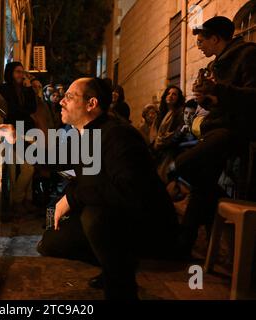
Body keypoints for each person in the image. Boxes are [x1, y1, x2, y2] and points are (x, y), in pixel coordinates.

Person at [36, 77, 179, 300]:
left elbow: (128, 191)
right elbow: (56, 160)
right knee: (52, 241)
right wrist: (17, 142)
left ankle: (121, 283)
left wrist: (72, 198)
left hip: (148, 226)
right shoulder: (84, 134)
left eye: (69, 97)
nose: (61, 102)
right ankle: (113, 263)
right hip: (120, 216)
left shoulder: (118, 136)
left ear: (91, 104)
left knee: (95, 217)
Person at [170, 16, 256, 254]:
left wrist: (217, 90)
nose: (198, 46)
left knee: (181, 165)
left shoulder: (247, 55)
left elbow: (251, 97)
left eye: (201, 41)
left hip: (235, 131)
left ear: (216, 38)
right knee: (203, 184)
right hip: (217, 127)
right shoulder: (216, 64)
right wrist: (206, 99)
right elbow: (222, 101)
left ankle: (190, 236)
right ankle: (185, 244)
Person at [0, 62, 38, 215]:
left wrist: (28, 89)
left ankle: (24, 201)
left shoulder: (25, 90)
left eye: (22, 72)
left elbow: (32, 108)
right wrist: (23, 113)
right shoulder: (4, 89)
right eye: (17, 72)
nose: (21, 75)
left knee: (27, 167)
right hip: (12, 133)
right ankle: (16, 201)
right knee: (23, 169)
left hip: (27, 132)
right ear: (10, 72)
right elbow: (11, 110)